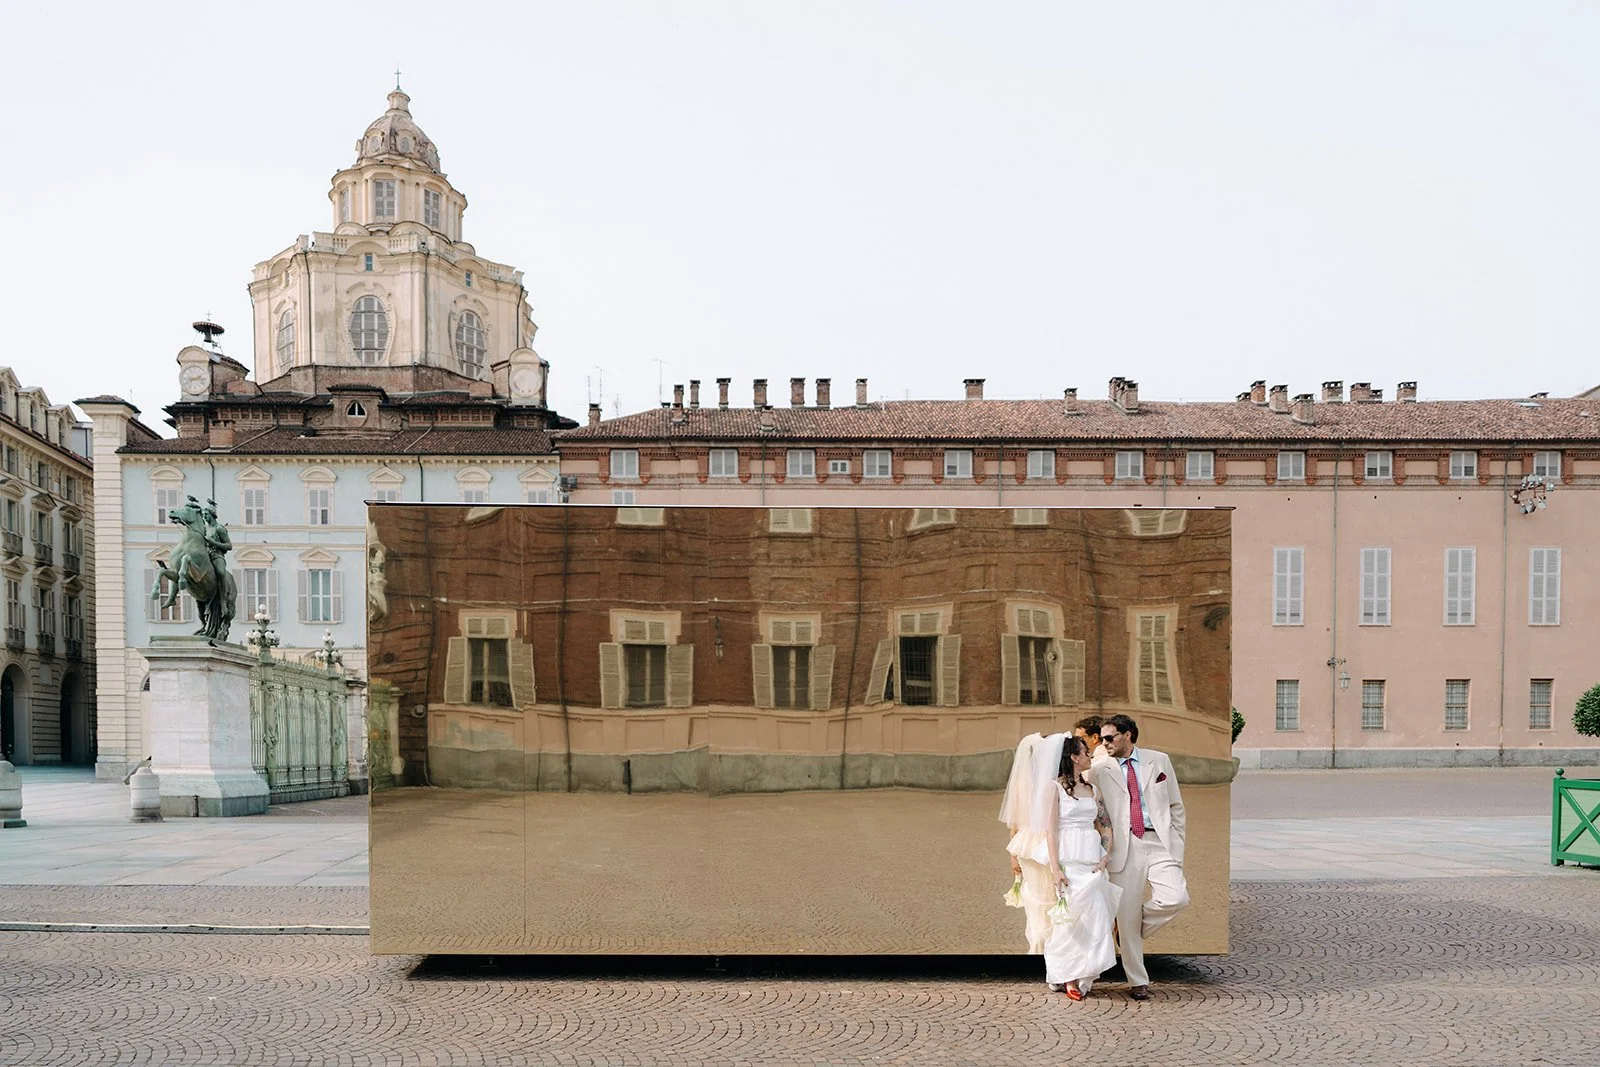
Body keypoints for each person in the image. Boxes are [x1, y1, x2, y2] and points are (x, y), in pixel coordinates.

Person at [1090, 713, 1189, 1001]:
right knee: (1127, 910)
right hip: (1124, 846)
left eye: (1110, 737)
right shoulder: (1099, 766)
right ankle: (1138, 981)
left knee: (1176, 897)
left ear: (1128, 735)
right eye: (1102, 738)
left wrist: (1177, 844)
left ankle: (1127, 927)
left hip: (1159, 841)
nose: (1104, 742)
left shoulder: (1159, 761)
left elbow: (1176, 805)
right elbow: (1079, 787)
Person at [1042, 735, 1120, 1000]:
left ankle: (1083, 972)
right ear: (1075, 757)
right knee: (1070, 922)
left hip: (1092, 861)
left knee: (1097, 918)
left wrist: (1106, 855)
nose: (1090, 755)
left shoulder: (1092, 789)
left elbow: (1105, 824)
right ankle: (1068, 975)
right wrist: (1056, 869)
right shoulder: (1054, 789)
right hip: (1069, 860)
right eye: (1086, 751)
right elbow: (1051, 832)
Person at [998, 732, 1053, 953]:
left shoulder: (1021, 783)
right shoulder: (1051, 781)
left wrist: (1013, 857)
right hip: (1044, 844)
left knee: (1036, 898)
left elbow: (1015, 825)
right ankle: (1046, 946)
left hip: (1026, 844)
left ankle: (1038, 944)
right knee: (1048, 896)